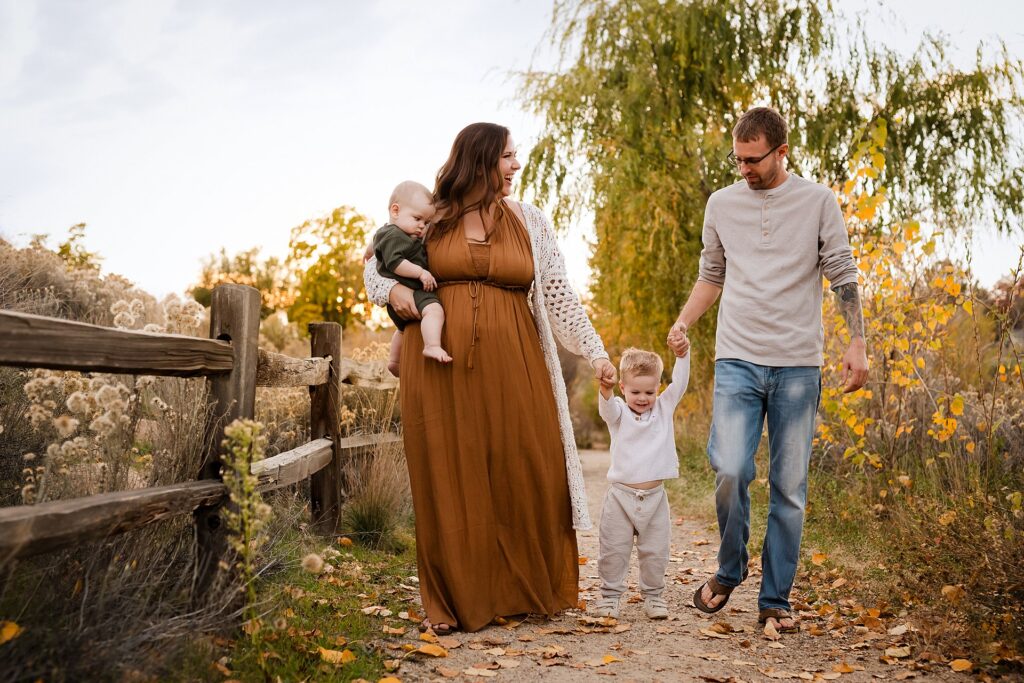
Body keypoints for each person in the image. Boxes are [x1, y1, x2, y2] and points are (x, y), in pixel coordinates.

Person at [363, 122, 617, 634]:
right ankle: (456, 599)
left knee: (528, 464)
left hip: (519, 362)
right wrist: (394, 296)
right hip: (439, 364)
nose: (516, 165)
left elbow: (560, 294)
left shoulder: (529, 221)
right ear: (479, 160)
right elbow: (374, 267)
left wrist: (596, 353)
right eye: (507, 156)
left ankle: (521, 591)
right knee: (451, 476)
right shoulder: (430, 218)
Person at [667, 107, 868, 634]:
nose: (745, 170)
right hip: (736, 357)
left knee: (789, 486)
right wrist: (685, 321)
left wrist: (857, 341)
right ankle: (730, 569)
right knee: (731, 467)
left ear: (782, 152)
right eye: (738, 159)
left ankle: (775, 600)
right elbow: (712, 273)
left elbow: (843, 272)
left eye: (754, 160)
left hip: (798, 363)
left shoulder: (818, 201)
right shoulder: (721, 204)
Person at [593, 345, 690, 621]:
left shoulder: (664, 408)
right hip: (620, 497)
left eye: (650, 392)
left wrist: (683, 354)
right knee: (613, 549)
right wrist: (606, 389)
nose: (643, 398)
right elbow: (607, 410)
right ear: (624, 387)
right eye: (635, 392)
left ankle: (654, 596)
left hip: (655, 498)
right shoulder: (620, 412)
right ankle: (610, 597)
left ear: (658, 387)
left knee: (655, 551)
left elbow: (680, 383)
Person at [371, 180, 451, 376]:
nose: (422, 227)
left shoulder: (391, 233)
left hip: (399, 304)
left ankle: (394, 361)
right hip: (412, 291)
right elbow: (395, 262)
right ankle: (432, 345)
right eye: (417, 219)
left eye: (426, 223)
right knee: (434, 311)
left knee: (402, 330)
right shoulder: (395, 235)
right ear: (395, 211)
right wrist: (421, 272)